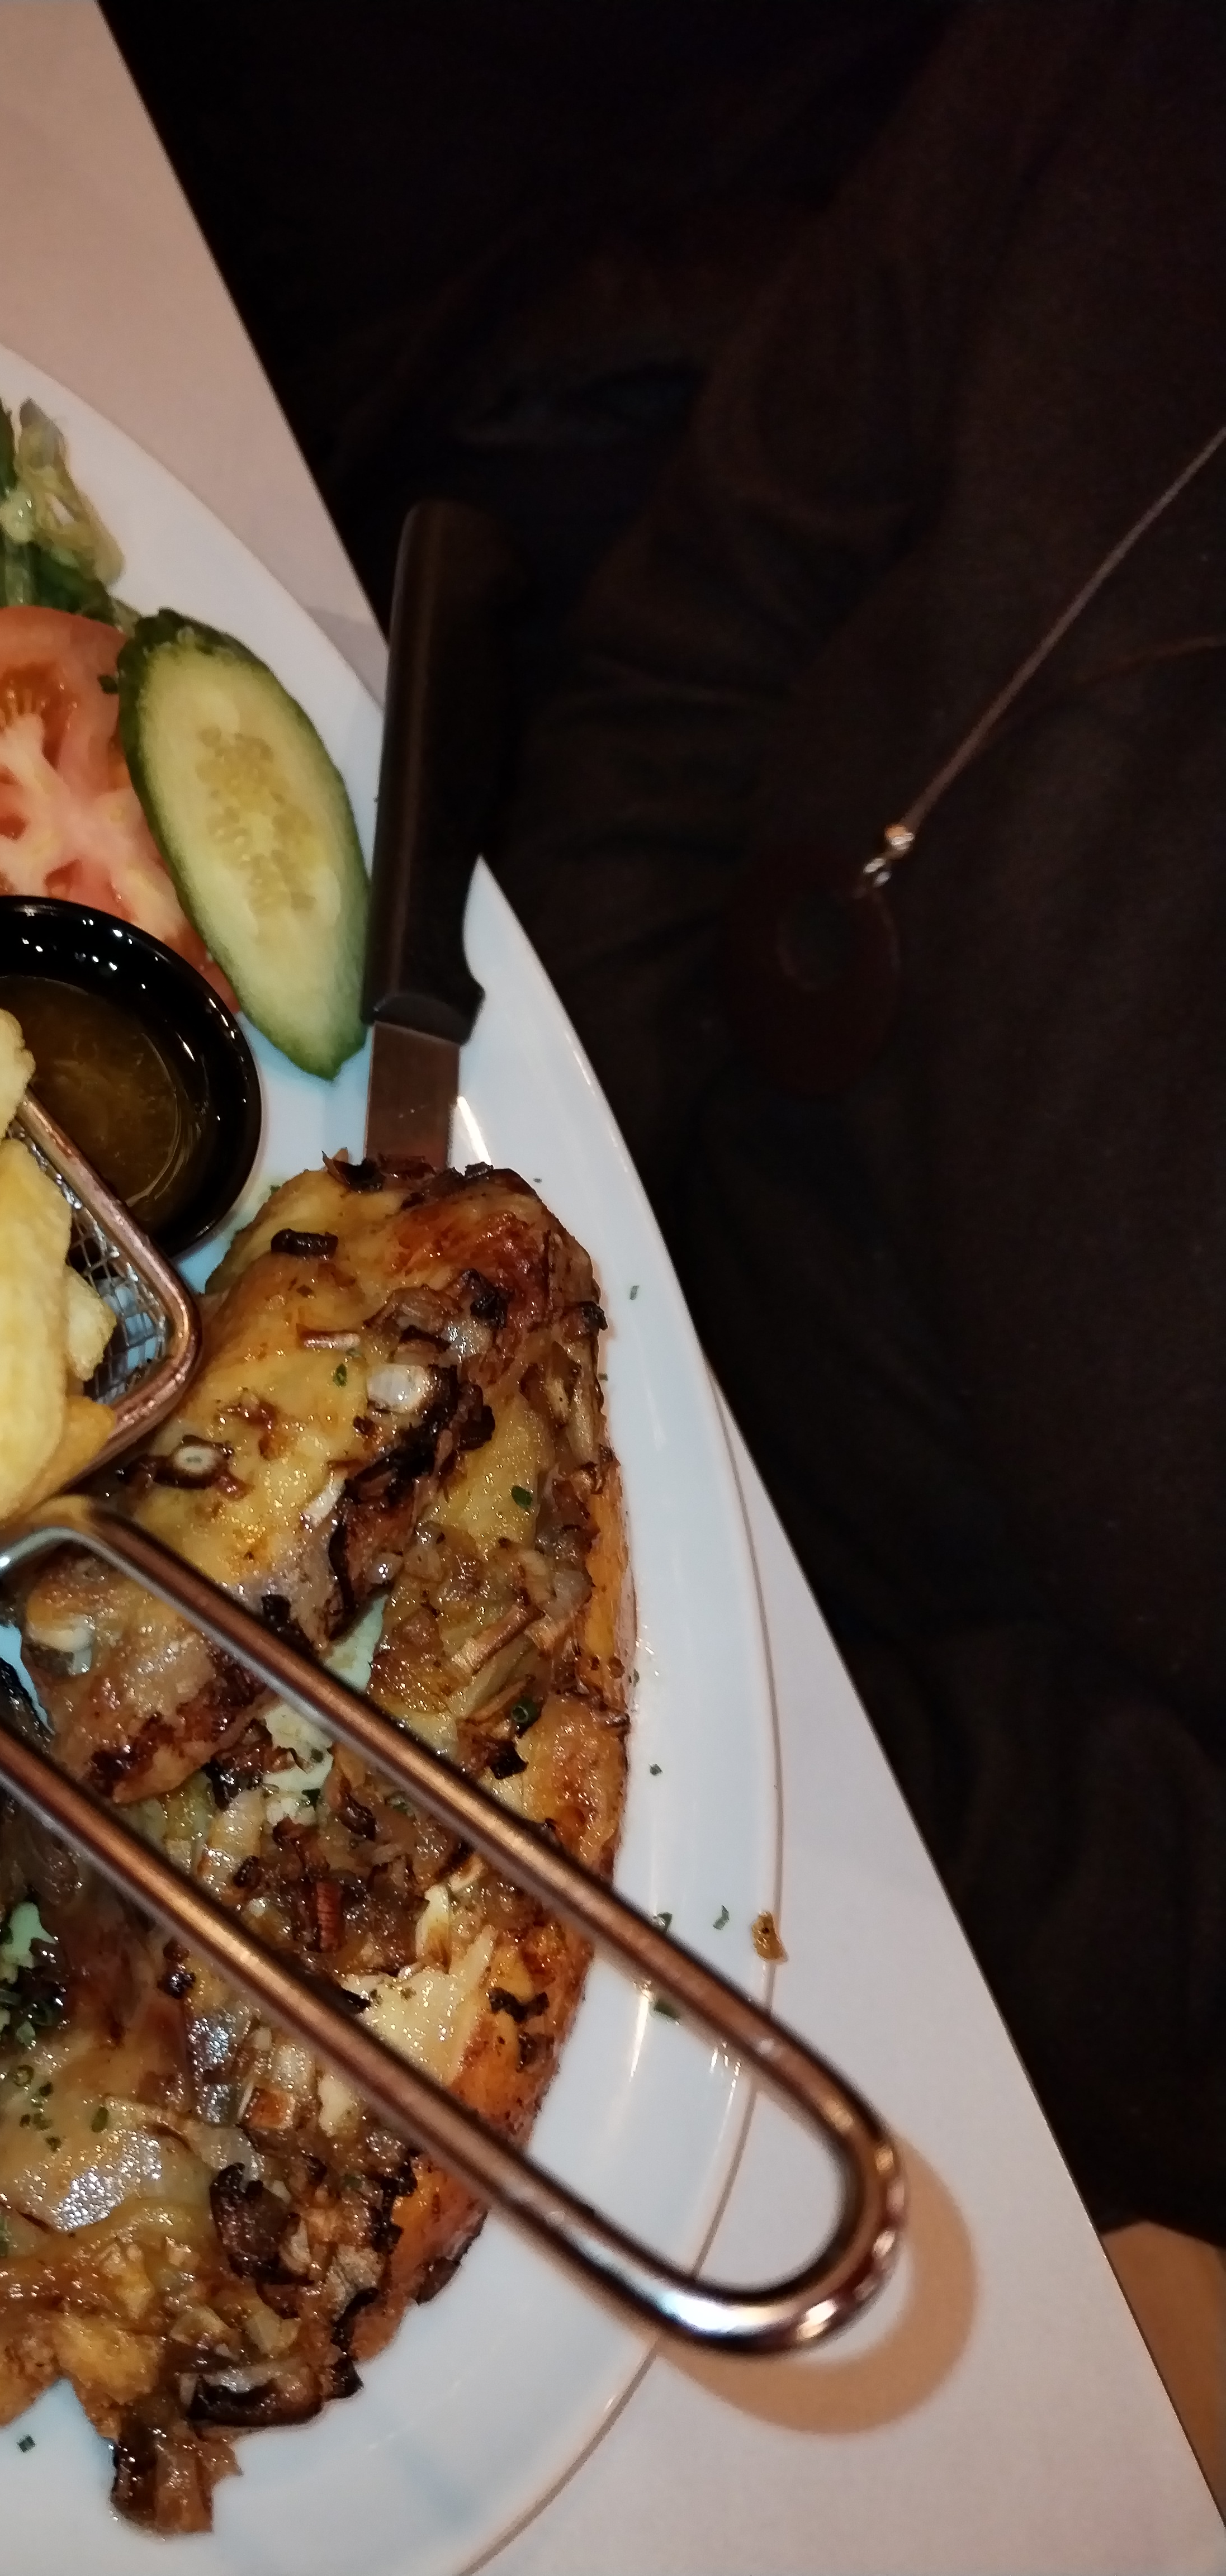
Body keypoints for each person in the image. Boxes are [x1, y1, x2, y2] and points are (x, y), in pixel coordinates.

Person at [494, 0, 1225, 2241]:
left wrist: (661, 1767)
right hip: (580, 1231)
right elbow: (697, 638)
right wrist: (515, 1273)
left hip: (921, 1897)